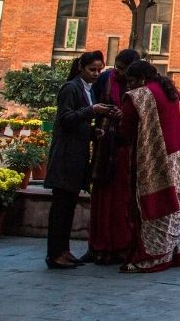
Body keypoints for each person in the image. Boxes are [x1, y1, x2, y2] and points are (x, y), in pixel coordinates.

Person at [43, 50, 117, 270]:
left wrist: (94, 133)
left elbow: (80, 123)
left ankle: (63, 250)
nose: (96, 74)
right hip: (65, 156)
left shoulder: (88, 90)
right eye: (92, 70)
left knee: (68, 208)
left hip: (78, 156)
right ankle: (55, 254)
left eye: (99, 70)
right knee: (60, 209)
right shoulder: (71, 88)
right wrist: (91, 111)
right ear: (81, 68)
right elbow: (65, 119)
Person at [118, 60, 180, 273]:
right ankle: (173, 251)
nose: (128, 86)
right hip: (178, 153)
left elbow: (125, 132)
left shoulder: (139, 96)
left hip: (155, 157)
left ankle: (152, 257)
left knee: (153, 206)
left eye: (130, 81)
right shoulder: (167, 88)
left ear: (140, 79)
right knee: (175, 205)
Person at [83, 48, 141, 265]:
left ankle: (120, 246)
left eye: (123, 69)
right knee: (101, 196)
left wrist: (123, 116)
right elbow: (89, 104)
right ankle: (97, 246)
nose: (118, 72)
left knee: (121, 200)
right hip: (103, 145)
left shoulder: (136, 84)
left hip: (124, 148)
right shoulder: (106, 78)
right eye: (117, 67)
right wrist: (101, 113)